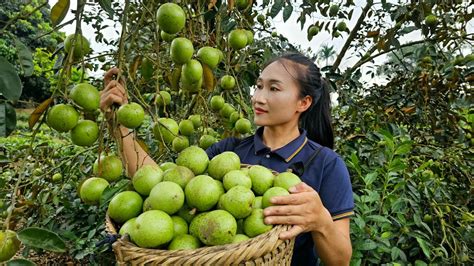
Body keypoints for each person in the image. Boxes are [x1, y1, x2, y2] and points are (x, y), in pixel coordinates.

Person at [100, 52, 354, 265]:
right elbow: (161, 186)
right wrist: (120, 125)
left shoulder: (326, 165)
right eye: (258, 86)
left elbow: (340, 260)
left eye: (273, 88)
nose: (258, 97)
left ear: (304, 102)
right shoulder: (227, 153)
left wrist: (320, 221)